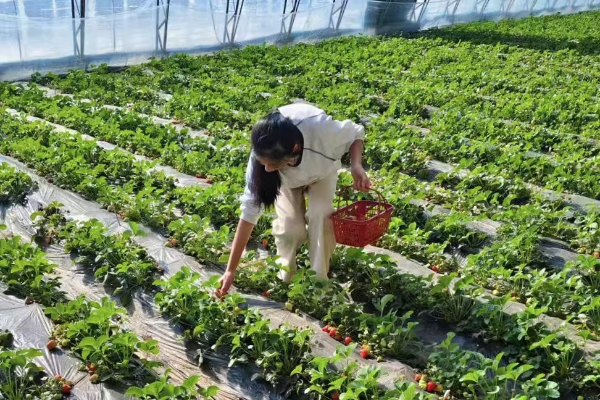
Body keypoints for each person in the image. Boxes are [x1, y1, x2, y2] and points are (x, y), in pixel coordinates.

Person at [216, 102, 370, 296]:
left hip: (322, 173)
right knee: (291, 230)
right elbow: (249, 212)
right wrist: (230, 270)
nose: (267, 169)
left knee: (321, 217)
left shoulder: (321, 129)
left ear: (295, 149)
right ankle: (287, 279)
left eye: (273, 164)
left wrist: (356, 165)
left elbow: (355, 132)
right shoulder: (263, 159)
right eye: (264, 163)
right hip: (288, 182)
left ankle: (319, 283)